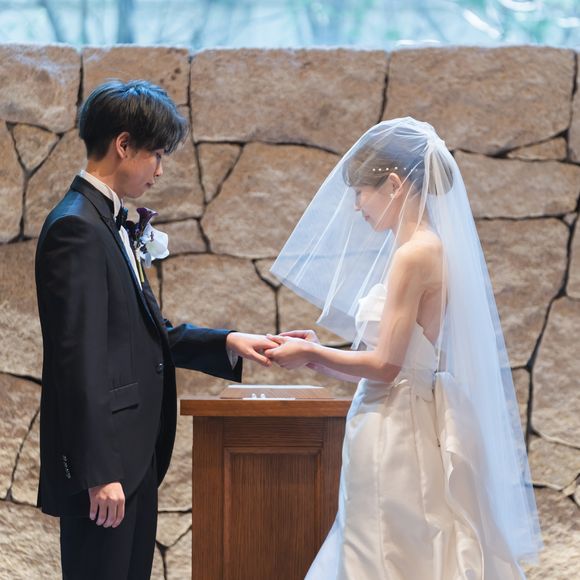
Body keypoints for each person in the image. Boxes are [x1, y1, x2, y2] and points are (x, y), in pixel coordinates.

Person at [266, 118, 542, 579]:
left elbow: (386, 365)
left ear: (394, 185)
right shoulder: (427, 247)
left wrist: (311, 355)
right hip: (405, 411)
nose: (357, 206)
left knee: (383, 547)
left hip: (394, 424)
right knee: (403, 541)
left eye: (361, 193)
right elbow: (396, 361)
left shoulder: (414, 255)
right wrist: (317, 353)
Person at [34, 79, 276, 579]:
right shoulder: (77, 228)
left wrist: (228, 342)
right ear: (123, 145)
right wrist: (100, 473)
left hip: (133, 457)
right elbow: (77, 361)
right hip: (108, 468)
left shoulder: (107, 222)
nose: (160, 170)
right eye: (157, 155)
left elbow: (145, 331)